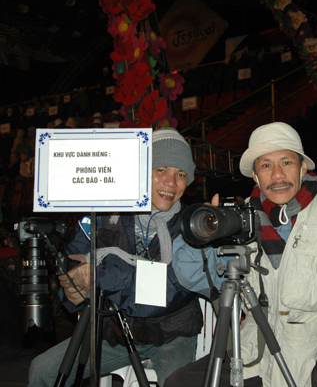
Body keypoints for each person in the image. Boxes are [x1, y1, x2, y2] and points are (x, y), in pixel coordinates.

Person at [166, 122, 317, 387]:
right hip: (256, 347)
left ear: (302, 168)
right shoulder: (242, 219)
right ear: (255, 176)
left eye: (286, 163)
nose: (277, 175)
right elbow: (192, 276)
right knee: (180, 382)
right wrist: (205, 235)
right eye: (266, 165)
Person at [28, 129, 203, 387]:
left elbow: (169, 290)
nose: (171, 183)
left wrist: (99, 277)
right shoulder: (104, 214)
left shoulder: (194, 226)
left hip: (173, 336)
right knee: (41, 371)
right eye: (161, 170)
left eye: (181, 175)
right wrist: (74, 290)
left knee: (176, 383)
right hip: (116, 334)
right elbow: (73, 260)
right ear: (142, 172)